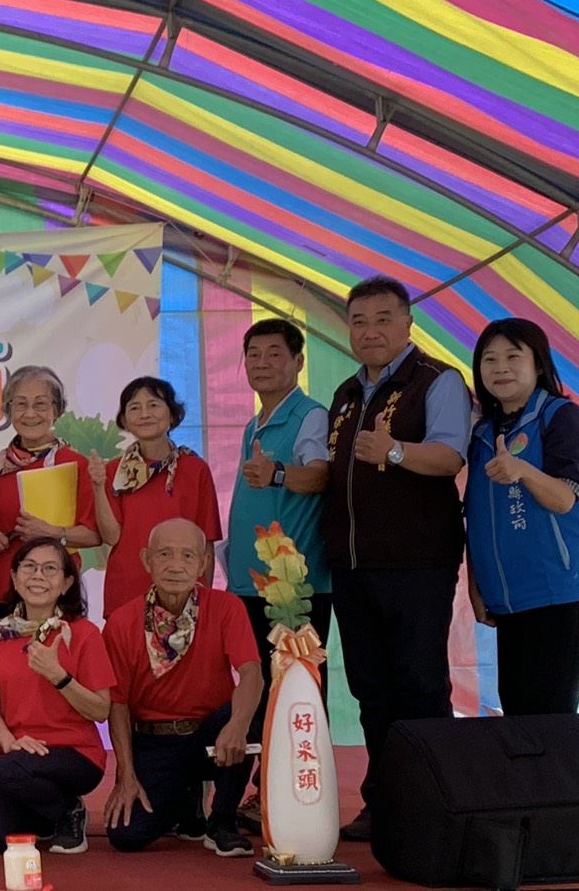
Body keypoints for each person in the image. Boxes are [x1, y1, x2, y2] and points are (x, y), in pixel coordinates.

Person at [321, 277, 469, 841]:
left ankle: (436, 807)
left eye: (383, 319)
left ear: (408, 323)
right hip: (353, 566)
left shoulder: (437, 380)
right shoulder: (345, 393)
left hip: (416, 563)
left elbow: (450, 456)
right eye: (359, 321)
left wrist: (396, 451)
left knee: (420, 685)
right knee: (371, 689)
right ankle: (383, 801)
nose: (370, 331)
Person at [466, 318, 579, 716]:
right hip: (508, 599)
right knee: (518, 715)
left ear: (539, 364)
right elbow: (475, 516)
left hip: (560, 591)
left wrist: (523, 471)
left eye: (513, 356)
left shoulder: (561, 417)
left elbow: (564, 499)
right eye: (489, 359)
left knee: (551, 720)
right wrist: (476, 586)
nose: (500, 368)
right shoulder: (483, 434)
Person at [223, 319, 330, 828]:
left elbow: (321, 475)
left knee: (295, 690)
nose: (262, 363)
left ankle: (293, 798)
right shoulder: (257, 423)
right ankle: (264, 794)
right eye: (253, 354)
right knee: (260, 688)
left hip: (293, 588)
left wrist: (280, 473)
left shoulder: (309, 416)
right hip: (253, 582)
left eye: (274, 354)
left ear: (298, 362)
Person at [103, 519, 262, 858]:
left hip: (212, 734)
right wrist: (127, 775)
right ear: (147, 560)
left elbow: (251, 673)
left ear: (204, 563)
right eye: (164, 554)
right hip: (155, 740)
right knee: (126, 835)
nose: (176, 566)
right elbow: (118, 704)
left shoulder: (227, 607)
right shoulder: (121, 621)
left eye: (188, 556)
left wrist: (238, 725)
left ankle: (222, 820)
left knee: (247, 715)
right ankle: (185, 799)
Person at [0, 536, 114, 856]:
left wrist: (58, 676)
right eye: (29, 567)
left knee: (3, 772)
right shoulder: (0, 634)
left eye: (50, 569)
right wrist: (8, 741)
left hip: (74, 753)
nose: (38, 575)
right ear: (14, 577)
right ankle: (52, 813)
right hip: (19, 753)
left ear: (66, 583)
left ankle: (69, 810)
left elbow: (101, 709)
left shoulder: (84, 634)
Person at [91, 377, 222, 619]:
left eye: (153, 405)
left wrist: (205, 599)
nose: (144, 414)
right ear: (124, 420)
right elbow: (111, 537)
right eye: (134, 407)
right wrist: (98, 487)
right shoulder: (114, 471)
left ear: (172, 415)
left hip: (182, 592)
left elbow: (207, 541)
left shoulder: (195, 469)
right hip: (127, 591)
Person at [0, 365, 101, 604]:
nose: (30, 413)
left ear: (57, 410)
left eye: (40, 404)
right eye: (20, 404)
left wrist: (53, 533)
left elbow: (94, 535)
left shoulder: (76, 465)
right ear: (8, 409)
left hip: (55, 590)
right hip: (1, 590)